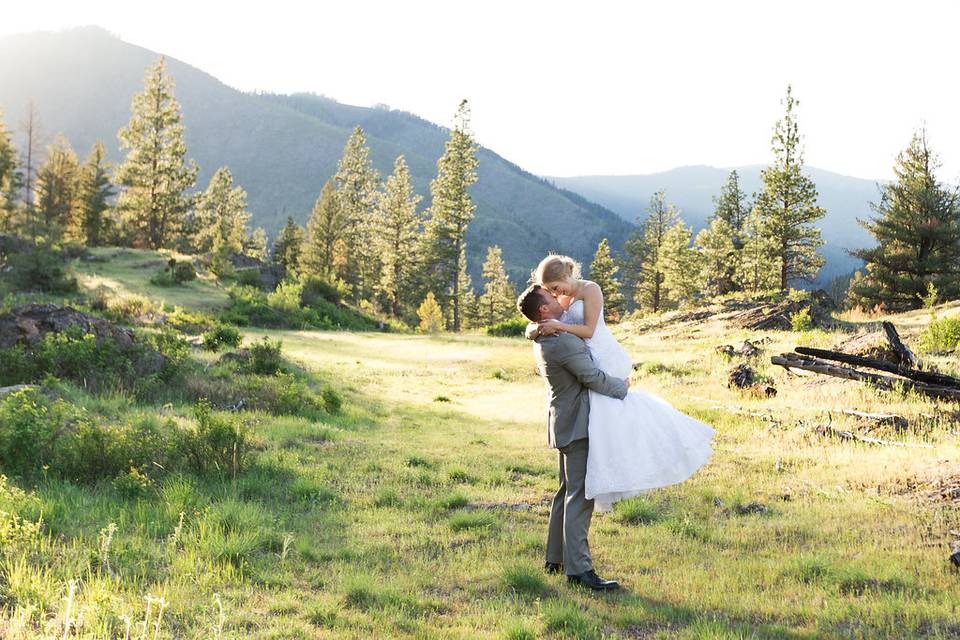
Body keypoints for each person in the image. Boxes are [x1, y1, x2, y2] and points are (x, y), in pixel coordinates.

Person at [529, 254, 715, 512]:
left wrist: (558, 325)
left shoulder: (590, 289)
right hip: (586, 361)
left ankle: (634, 461)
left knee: (618, 413)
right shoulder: (561, 297)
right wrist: (537, 329)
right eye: (550, 290)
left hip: (602, 355)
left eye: (556, 286)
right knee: (601, 422)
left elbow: (589, 330)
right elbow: (538, 320)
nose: (554, 292)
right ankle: (602, 471)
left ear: (566, 276)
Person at [517, 283, 627, 590]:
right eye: (552, 297)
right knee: (580, 496)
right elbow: (590, 377)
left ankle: (556, 559)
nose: (558, 298)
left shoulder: (543, 334)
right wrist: (623, 387)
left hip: (561, 421)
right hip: (577, 423)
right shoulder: (561, 340)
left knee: (566, 491)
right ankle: (579, 571)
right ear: (544, 310)